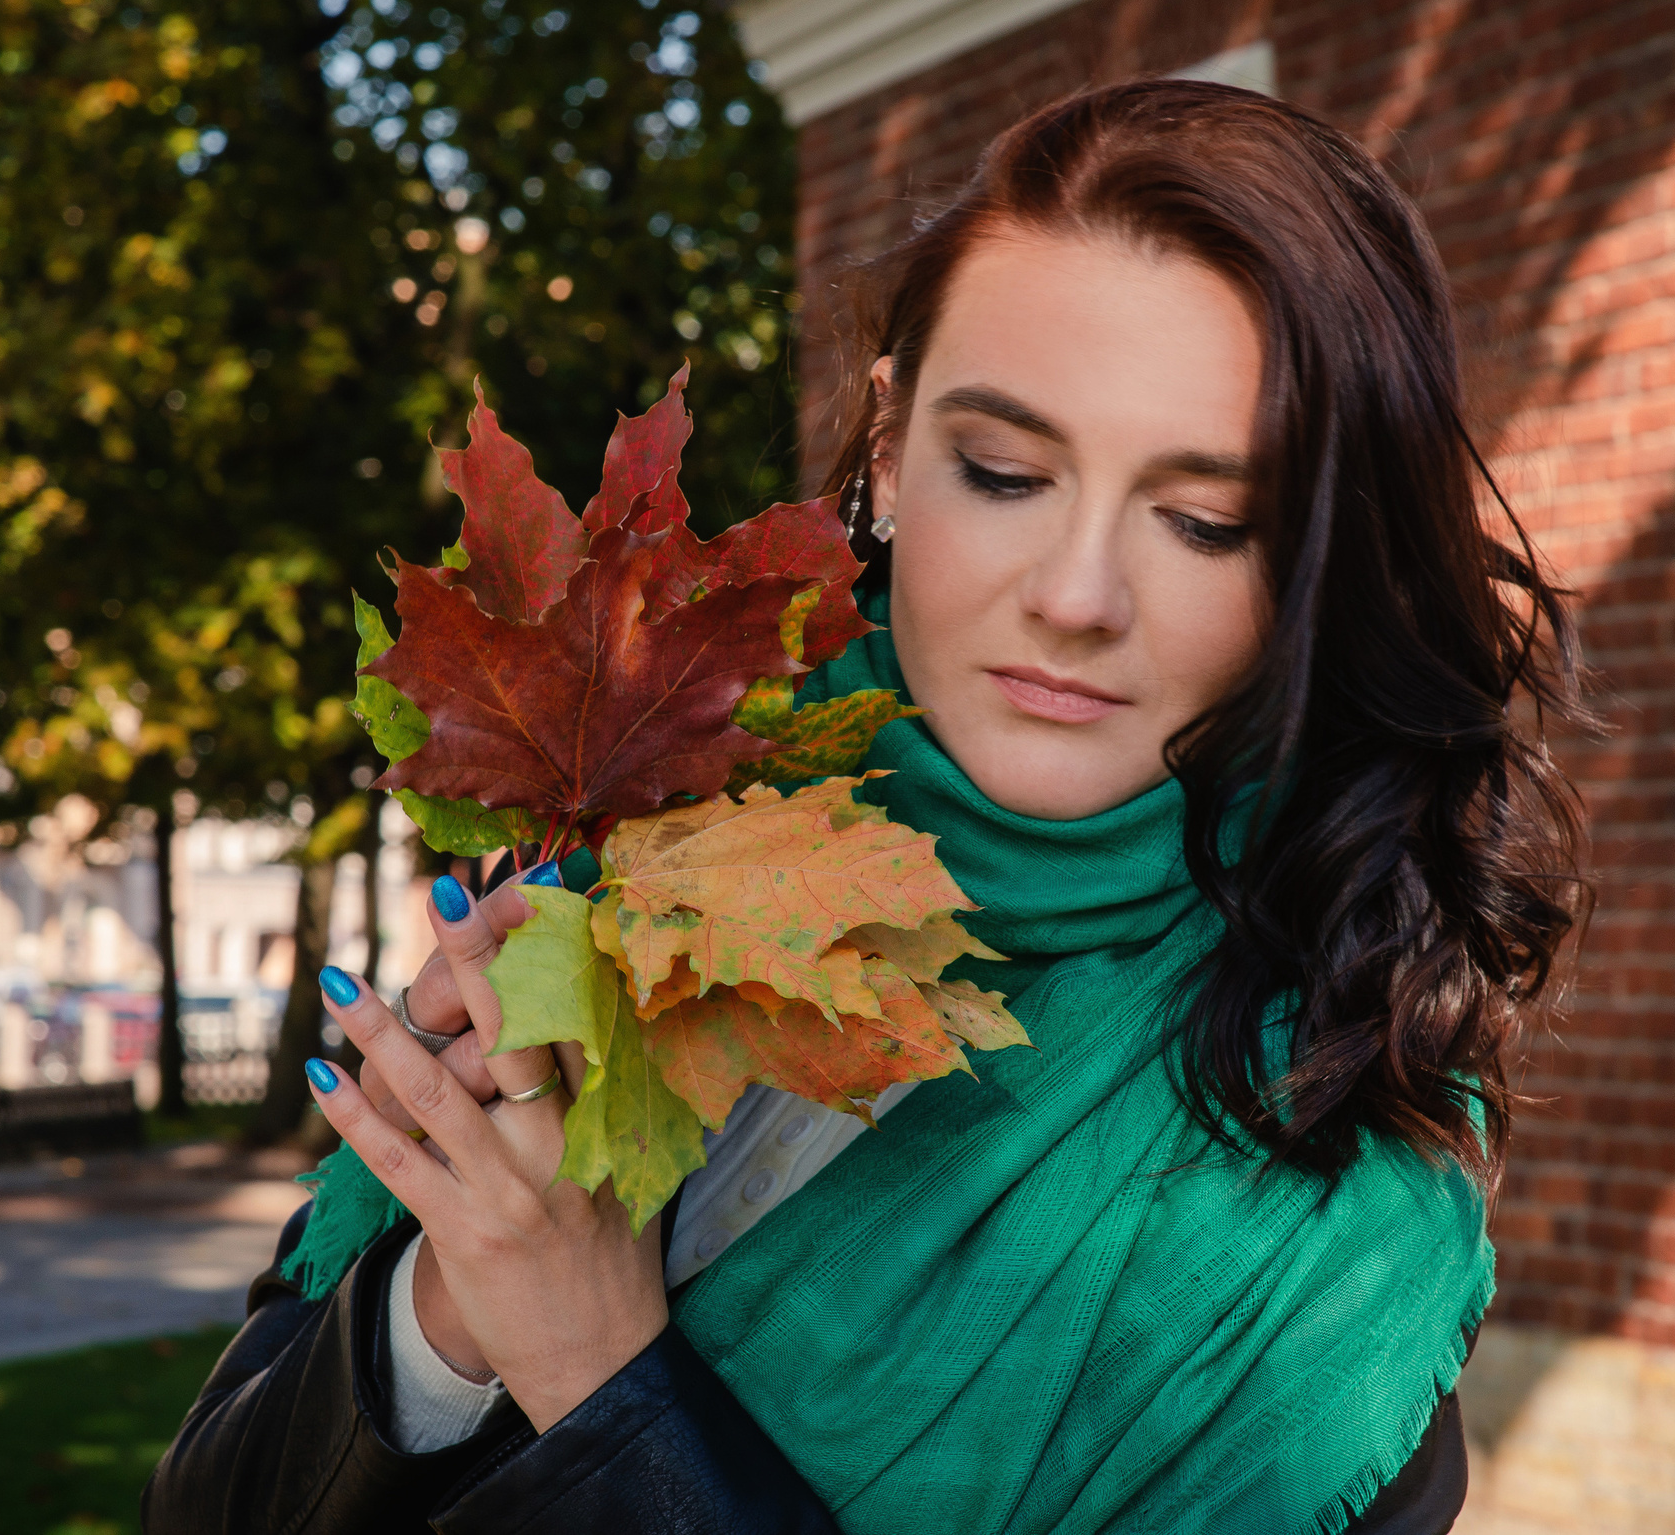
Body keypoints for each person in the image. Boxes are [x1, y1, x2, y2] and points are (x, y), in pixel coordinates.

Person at [143, 78, 1589, 1535]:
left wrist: (597, 1366)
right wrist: (449, 1306)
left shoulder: (1329, 1248)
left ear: (1323, 563)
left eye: (1208, 520)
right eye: (1007, 471)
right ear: (891, 447)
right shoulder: (644, 840)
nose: (1076, 596)